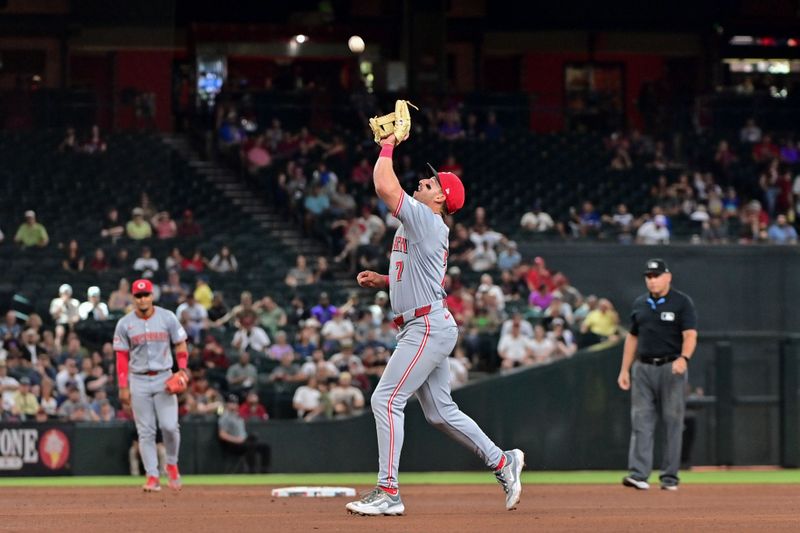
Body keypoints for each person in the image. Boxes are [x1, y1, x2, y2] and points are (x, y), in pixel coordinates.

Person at [345, 131, 524, 517]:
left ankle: (388, 491)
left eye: (433, 182)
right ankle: (502, 461)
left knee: (386, 399)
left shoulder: (426, 218)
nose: (425, 181)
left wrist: (388, 144)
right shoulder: (420, 224)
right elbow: (415, 271)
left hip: (425, 326)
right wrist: (384, 280)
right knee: (439, 412)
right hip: (425, 323)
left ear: (441, 198)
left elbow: (382, 183)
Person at [618, 259, 698, 492]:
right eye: (649, 276)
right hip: (642, 368)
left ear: (668, 277)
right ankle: (639, 474)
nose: (652, 280)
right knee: (641, 421)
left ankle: (669, 477)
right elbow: (632, 337)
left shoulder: (681, 302)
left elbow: (691, 334)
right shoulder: (640, 304)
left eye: (656, 275)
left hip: (671, 366)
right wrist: (624, 369)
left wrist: (684, 358)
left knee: (673, 421)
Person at [113, 279, 189, 492]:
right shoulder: (124, 323)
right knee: (145, 431)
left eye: (145, 294)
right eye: (138, 296)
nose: (142, 299)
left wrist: (182, 368)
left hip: (164, 377)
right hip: (138, 379)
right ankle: (152, 476)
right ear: (133, 298)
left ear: (152, 296)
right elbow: (121, 357)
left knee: (169, 426)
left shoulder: (167, 317)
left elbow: (180, 343)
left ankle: (172, 464)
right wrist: (123, 386)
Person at [218, 394, 271, 473]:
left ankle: (264, 472)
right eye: (231, 403)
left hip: (244, 441)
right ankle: (252, 471)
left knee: (265, 446)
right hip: (233, 444)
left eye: (235, 403)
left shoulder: (238, 415)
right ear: (227, 404)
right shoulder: (225, 417)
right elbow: (222, 434)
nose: (233, 405)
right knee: (250, 445)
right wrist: (237, 440)